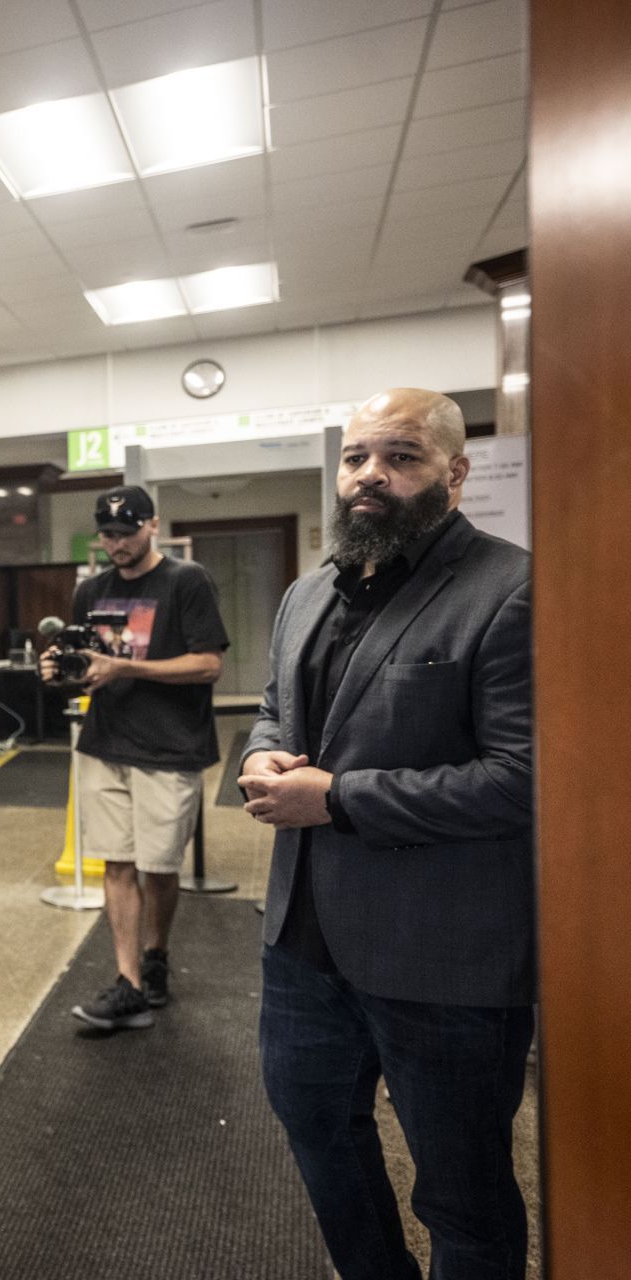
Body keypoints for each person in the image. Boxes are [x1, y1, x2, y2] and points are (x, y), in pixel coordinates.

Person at [241, 388, 534, 1279]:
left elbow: (525, 778)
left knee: (463, 1194)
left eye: (400, 456)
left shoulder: (513, 589)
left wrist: (341, 799)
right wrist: (260, 761)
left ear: (454, 472)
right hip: (301, 945)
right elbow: (270, 712)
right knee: (322, 1145)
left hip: (442, 956)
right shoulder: (307, 594)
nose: (371, 475)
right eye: (357, 456)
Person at [41, 485, 228, 1030]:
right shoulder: (91, 590)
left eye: (127, 533)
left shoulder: (186, 581)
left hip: (170, 748)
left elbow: (208, 665)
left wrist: (125, 669)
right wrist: (60, 673)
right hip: (105, 742)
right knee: (116, 863)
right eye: (108, 534)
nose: (117, 544)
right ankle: (128, 980)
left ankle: (156, 955)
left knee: (158, 866)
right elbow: (87, 667)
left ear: (153, 526)